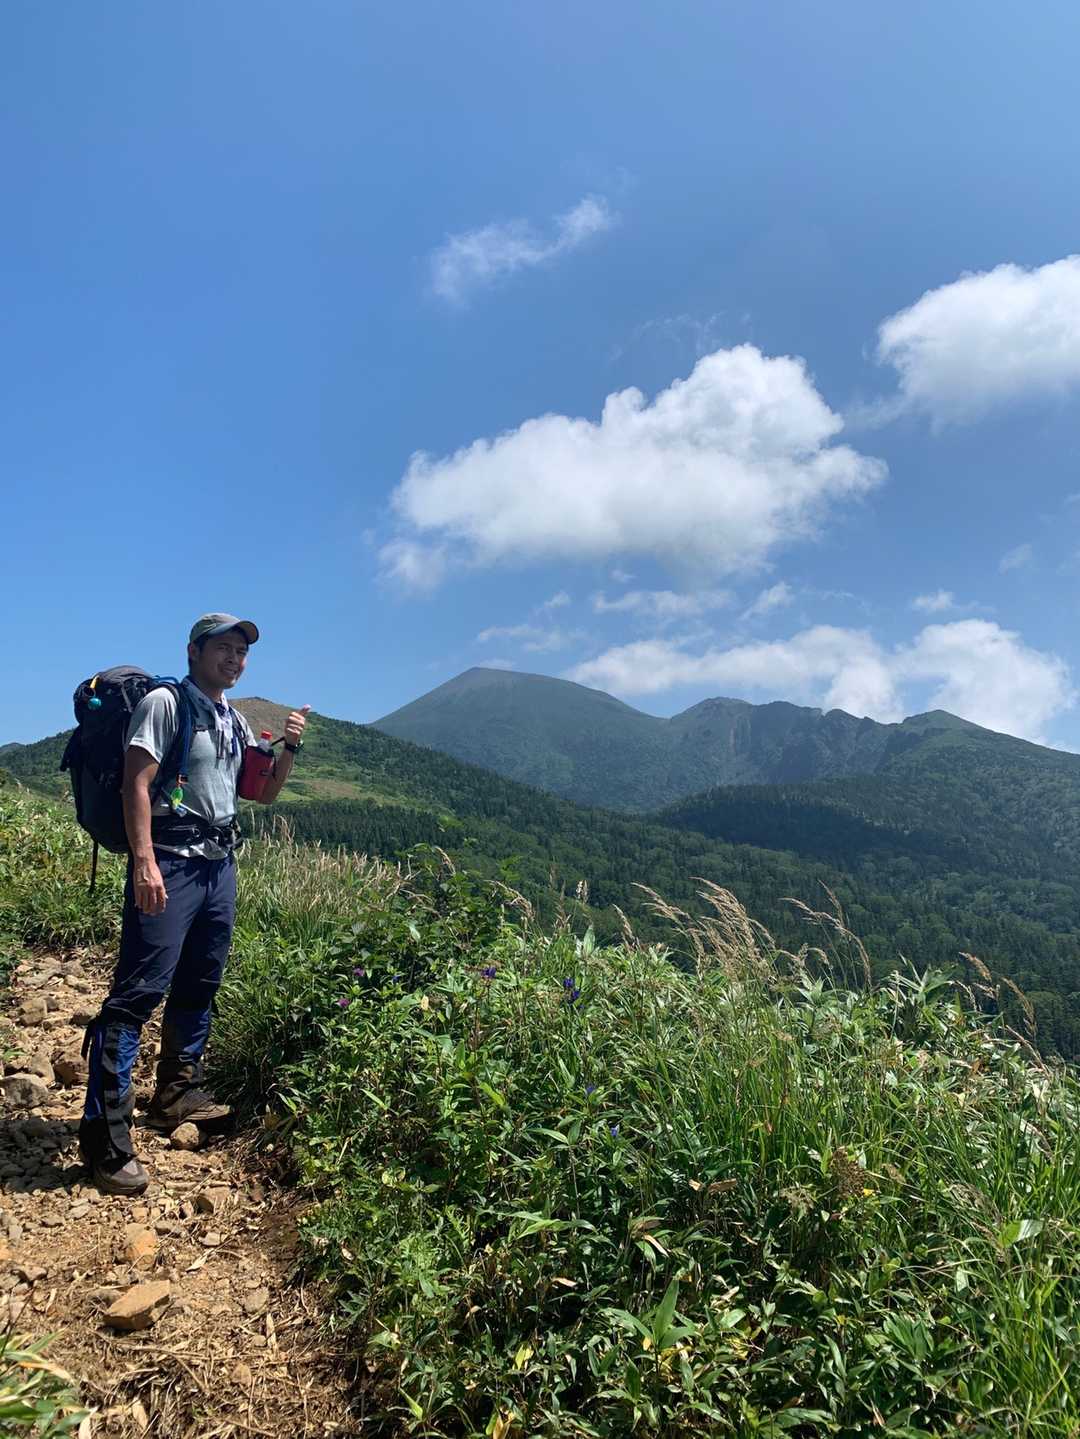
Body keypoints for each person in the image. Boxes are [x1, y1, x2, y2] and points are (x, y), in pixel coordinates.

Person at [78, 613, 309, 1196]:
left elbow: (260, 792)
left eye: (241, 652)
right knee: (137, 994)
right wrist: (144, 862)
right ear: (194, 652)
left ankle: (176, 1095)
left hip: (218, 866)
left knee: (199, 982)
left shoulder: (233, 718)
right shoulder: (165, 704)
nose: (235, 659)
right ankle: (104, 1139)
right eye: (224, 648)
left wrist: (289, 749)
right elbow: (136, 784)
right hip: (171, 863)